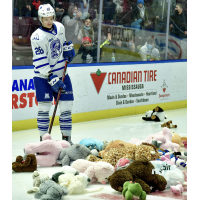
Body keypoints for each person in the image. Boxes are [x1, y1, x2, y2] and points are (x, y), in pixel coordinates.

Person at [30, 4, 75, 143]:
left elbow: (61, 44)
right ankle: (43, 141)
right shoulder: (36, 37)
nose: (49, 21)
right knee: (44, 107)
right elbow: (40, 59)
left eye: (51, 18)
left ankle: (66, 140)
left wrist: (67, 50)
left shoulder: (60, 27)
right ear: (40, 19)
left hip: (62, 73)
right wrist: (50, 76)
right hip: (43, 77)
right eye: (45, 19)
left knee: (67, 107)